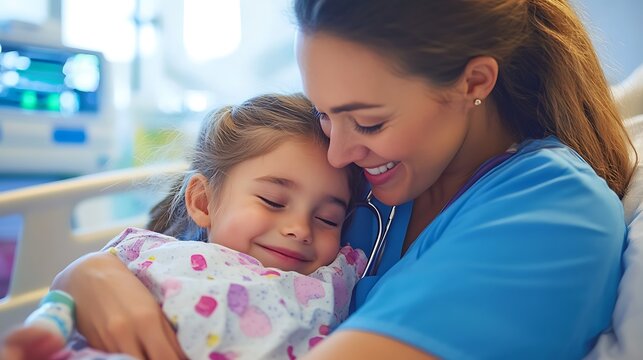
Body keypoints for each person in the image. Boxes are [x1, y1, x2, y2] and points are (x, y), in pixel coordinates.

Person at [3, 0, 635, 359]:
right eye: (326, 114)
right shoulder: (362, 187)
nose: (336, 151)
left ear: (474, 83)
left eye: (367, 120)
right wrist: (90, 274)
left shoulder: (550, 213)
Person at [1, 93, 367, 360]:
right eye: (272, 201)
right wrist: (44, 331)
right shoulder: (151, 253)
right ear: (203, 202)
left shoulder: (338, 277)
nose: (301, 229)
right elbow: (66, 305)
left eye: (327, 220)